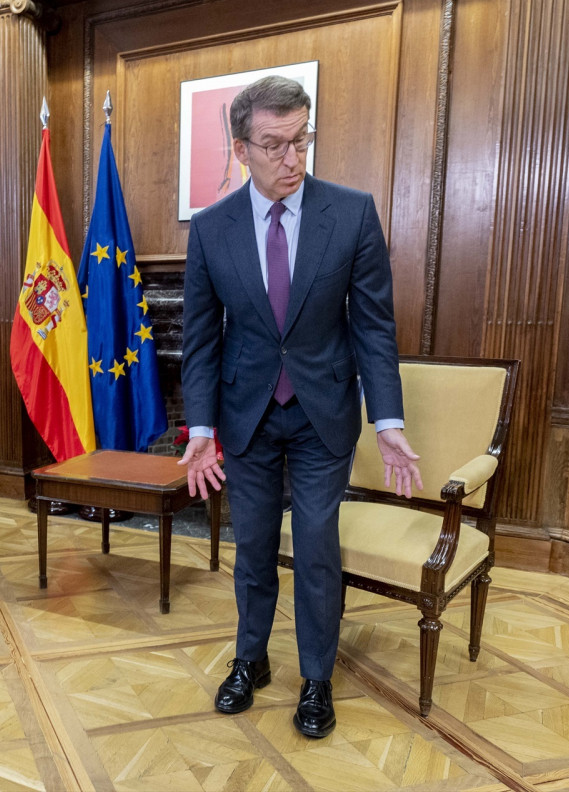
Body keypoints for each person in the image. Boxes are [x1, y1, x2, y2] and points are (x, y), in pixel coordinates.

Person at [179, 76, 423, 738]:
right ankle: (250, 659)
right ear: (241, 149)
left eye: (302, 140)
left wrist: (388, 420)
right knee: (253, 546)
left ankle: (317, 676)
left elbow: (373, 326)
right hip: (247, 415)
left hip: (323, 413)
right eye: (274, 145)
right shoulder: (212, 228)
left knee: (316, 546)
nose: (292, 159)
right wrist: (200, 426)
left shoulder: (351, 213)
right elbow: (201, 339)